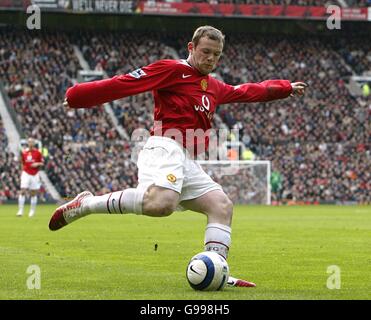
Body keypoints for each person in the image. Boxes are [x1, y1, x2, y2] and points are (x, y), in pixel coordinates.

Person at [49, 26, 307, 287]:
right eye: (205, 52)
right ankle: (85, 204)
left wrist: (284, 88)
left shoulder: (214, 86)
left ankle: (217, 268)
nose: (211, 59)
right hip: (164, 146)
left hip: (186, 158)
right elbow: (124, 83)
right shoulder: (171, 70)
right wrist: (79, 95)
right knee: (162, 204)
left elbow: (247, 91)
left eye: (216, 55)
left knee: (221, 206)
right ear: (191, 48)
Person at [17, 138, 44, 217]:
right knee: (22, 191)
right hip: (26, 173)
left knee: (33, 193)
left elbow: (42, 163)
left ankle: (32, 211)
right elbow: (22, 162)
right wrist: (22, 171)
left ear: (34, 143)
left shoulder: (38, 153)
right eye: (29, 142)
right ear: (27, 143)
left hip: (35, 174)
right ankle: (20, 211)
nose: (30, 143)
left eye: (32, 142)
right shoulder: (24, 152)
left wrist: (37, 164)